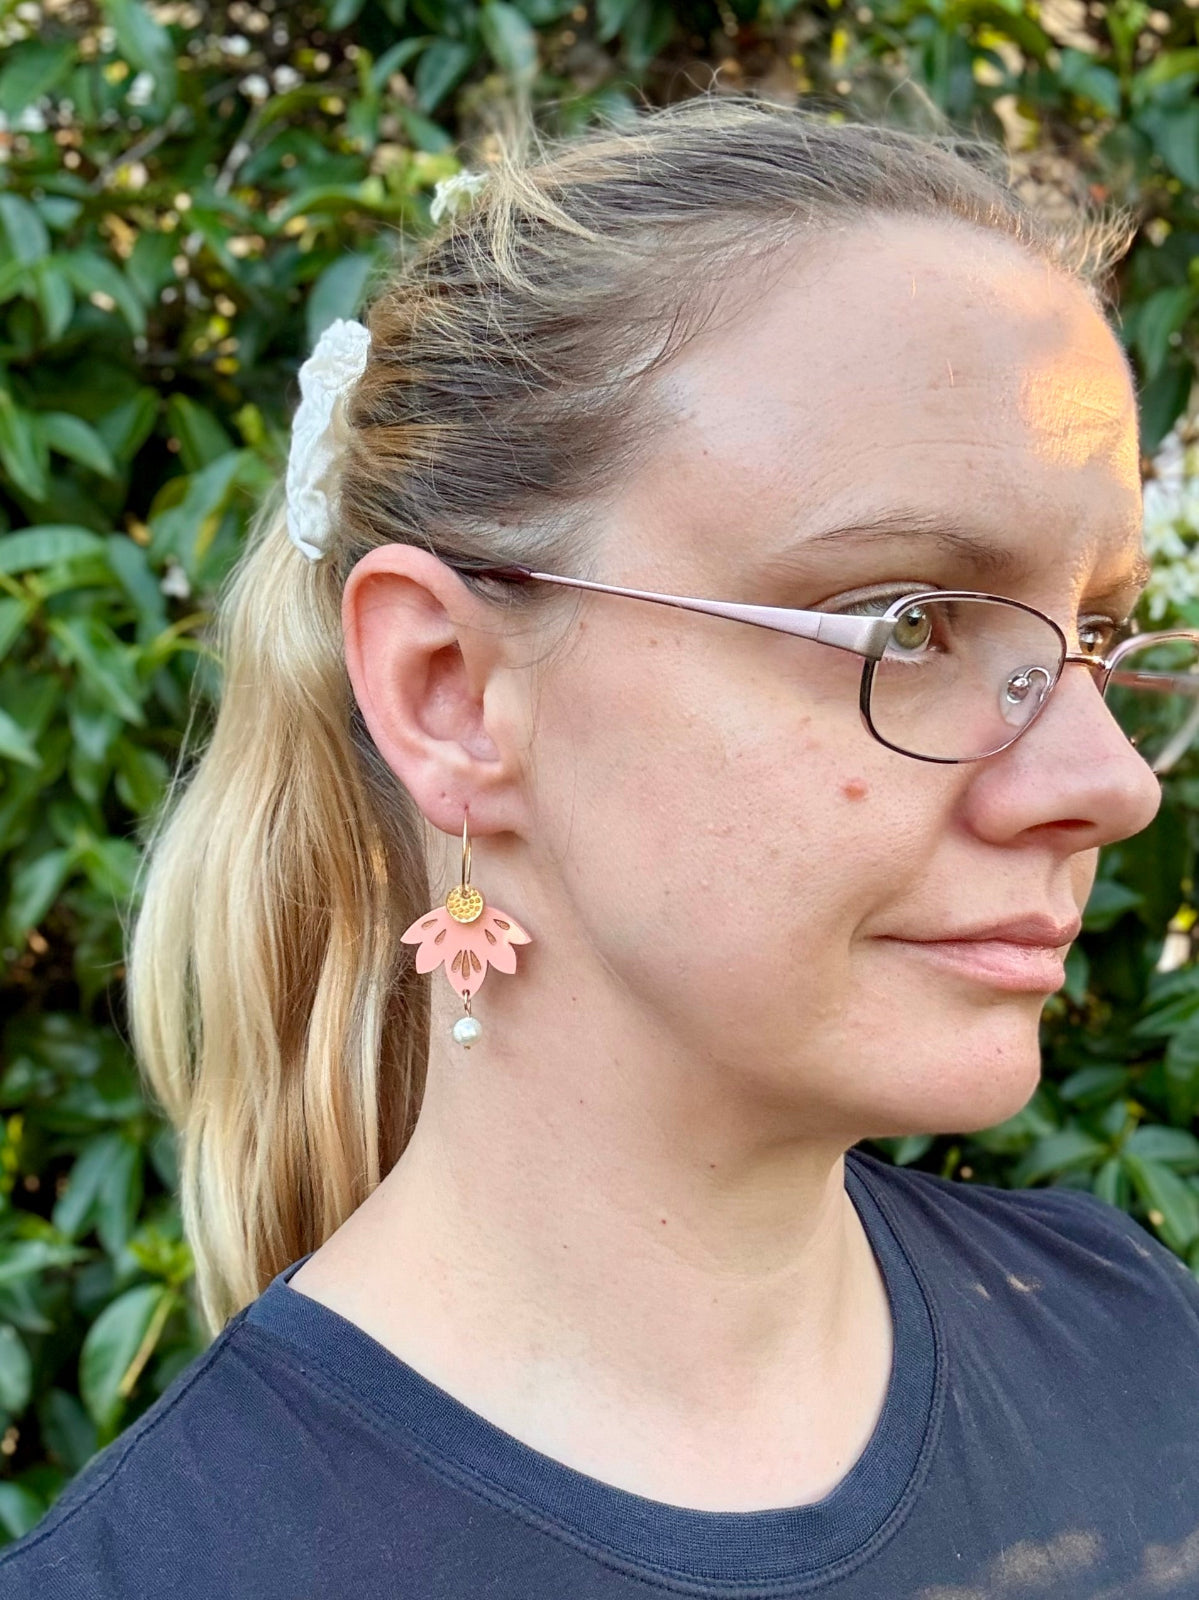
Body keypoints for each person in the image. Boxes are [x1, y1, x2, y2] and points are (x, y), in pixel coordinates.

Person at [4, 93, 1199, 1600]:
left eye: (1090, 631)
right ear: (450, 696)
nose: (1106, 782)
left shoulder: (1133, 1335)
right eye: (907, 622)